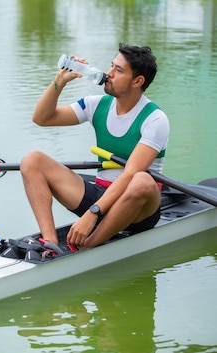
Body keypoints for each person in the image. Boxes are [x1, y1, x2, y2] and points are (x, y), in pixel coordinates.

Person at [20, 43, 169, 250]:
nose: (108, 74)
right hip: (101, 193)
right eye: (111, 66)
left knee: (141, 180)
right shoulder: (96, 104)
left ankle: (87, 248)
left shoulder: (155, 119)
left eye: (118, 70)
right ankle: (50, 242)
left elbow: (129, 175)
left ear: (137, 81)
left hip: (139, 209)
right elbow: (42, 118)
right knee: (32, 160)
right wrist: (59, 82)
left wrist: (92, 213)